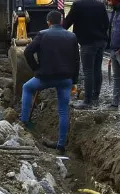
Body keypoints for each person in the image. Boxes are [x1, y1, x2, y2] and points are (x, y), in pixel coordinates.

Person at [20, 10, 80, 154]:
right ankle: (60, 144)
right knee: (63, 111)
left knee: (27, 87)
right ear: (61, 21)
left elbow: (27, 52)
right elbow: (77, 61)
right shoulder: (72, 36)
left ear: (48, 22)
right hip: (65, 79)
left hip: (45, 77)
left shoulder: (42, 34)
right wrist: (74, 81)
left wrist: (36, 69)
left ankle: (24, 121)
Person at [63, 0, 110, 109]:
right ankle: (95, 97)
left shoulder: (77, 5)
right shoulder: (100, 5)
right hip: (101, 42)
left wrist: (57, 31)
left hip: (87, 43)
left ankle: (87, 101)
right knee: (97, 69)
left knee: (88, 71)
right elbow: (107, 23)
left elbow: (67, 22)